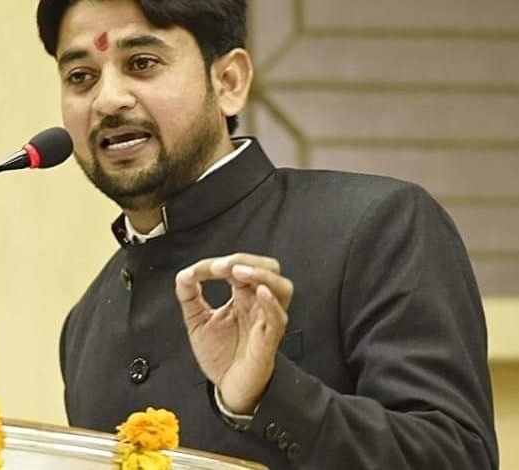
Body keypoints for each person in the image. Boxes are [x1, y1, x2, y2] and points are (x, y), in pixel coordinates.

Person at [36, 0, 499, 468]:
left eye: (141, 63)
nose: (108, 100)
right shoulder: (86, 324)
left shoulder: (376, 226)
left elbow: (455, 458)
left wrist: (272, 394)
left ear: (229, 82)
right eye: (81, 76)